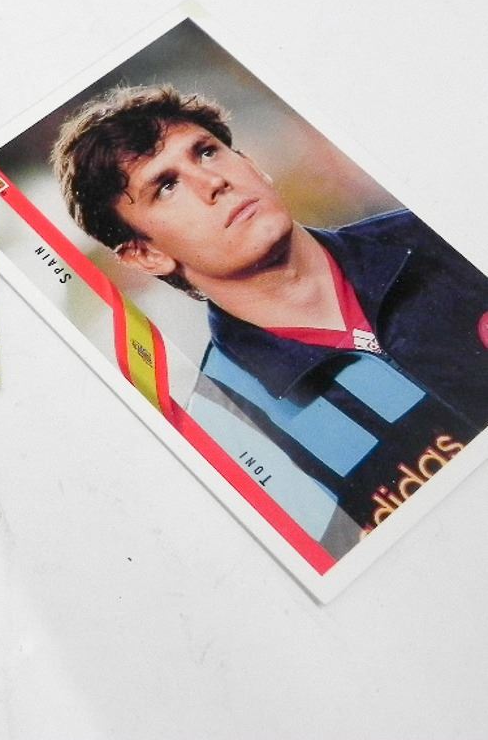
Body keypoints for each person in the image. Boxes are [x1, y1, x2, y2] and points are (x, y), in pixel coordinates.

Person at [51, 85, 488, 539]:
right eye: (167, 186)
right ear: (146, 255)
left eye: (206, 152)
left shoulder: (438, 233)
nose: (212, 182)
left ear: (251, 164)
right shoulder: (228, 427)